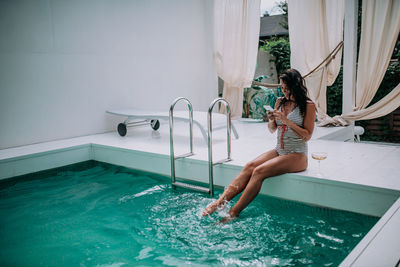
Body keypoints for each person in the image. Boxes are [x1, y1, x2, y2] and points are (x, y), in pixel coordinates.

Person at [202, 68, 316, 223]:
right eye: (282, 88)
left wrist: (287, 120)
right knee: (250, 166)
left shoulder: (308, 105)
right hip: (280, 150)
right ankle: (219, 203)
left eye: (287, 89)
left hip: (297, 154)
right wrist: (271, 119)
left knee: (259, 171)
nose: (283, 92)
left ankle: (233, 212)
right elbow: (272, 129)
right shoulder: (280, 102)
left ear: (295, 86)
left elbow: (307, 135)